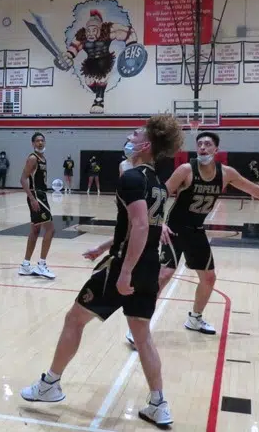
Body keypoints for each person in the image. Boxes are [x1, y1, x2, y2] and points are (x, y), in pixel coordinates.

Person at [20, 114, 184, 427]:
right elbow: (146, 228)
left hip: (126, 267)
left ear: (146, 143)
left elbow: (138, 226)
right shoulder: (159, 186)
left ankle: (50, 385)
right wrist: (106, 245)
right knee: (142, 335)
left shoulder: (132, 178)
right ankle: (158, 403)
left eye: (135, 133)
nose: (130, 136)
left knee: (74, 319)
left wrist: (123, 273)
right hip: (150, 266)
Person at [126, 131, 259, 346]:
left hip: (197, 230)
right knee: (164, 274)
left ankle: (195, 319)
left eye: (208, 144)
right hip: (176, 229)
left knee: (209, 278)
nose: (203, 147)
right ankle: (139, 326)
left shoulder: (226, 173)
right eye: (200, 144)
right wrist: (160, 223)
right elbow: (161, 194)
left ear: (216, 149)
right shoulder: (186, 169)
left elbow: (254, 189)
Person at [19, 132, 55, 279]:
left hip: (41, 194)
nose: (40, 143)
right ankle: (41, 265)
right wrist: (32, 198)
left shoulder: (42, 158)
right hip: (37, 196)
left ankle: (25, 265)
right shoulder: (33, 158)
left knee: (35, 231)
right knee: (51, 229)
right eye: (37, 141)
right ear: (33, 143)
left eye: (42, 140)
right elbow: (22, 179)